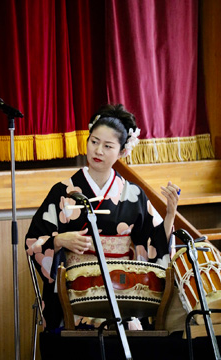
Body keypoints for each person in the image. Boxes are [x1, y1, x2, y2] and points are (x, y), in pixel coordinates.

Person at [25, 103, 180, 334]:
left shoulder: (133, 193)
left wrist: (169, 215)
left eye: (108, 146)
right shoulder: (63, 191)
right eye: (94, 142)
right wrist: (59, 241)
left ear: (121, 152)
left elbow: (154, 242)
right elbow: (33, 241)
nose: (98, 151)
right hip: (76, 294)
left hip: (123, 292)